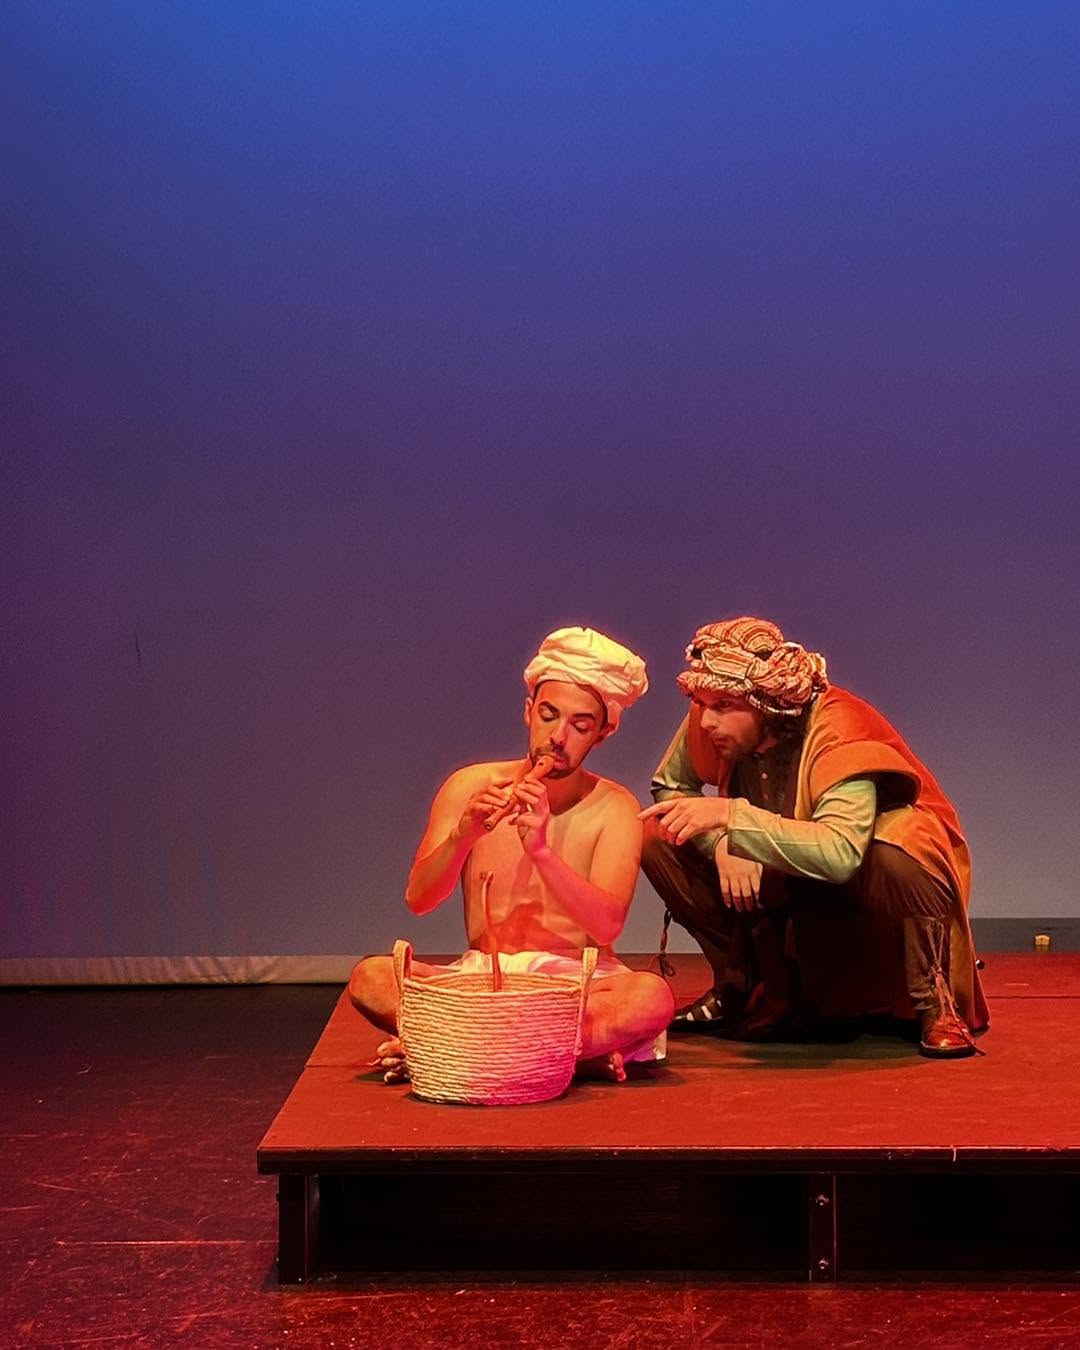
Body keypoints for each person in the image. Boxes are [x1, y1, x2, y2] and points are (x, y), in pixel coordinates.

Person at [640, 617, 988, 1058]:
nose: (706, 719)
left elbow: (840, 852)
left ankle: (932, 1000)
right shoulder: (715, 718)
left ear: (766, 704)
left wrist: (735, 820)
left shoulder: (839, 728)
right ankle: (740, 984)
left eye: (723, 705)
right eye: (700, 702)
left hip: (857, 885)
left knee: (902, 846)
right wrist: (723, 843)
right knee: (659, 835)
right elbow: (671, 786)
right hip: (780, 875)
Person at [349, 626, 673, 1081]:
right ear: (528, 711)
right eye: (548, 715)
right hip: (481, 980)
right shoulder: (468, 785)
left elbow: (606, 926)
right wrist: (462, 837)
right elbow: (419, 899)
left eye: (580, 726)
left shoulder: (615, 806)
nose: (558, 736)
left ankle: (449, 1046)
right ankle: (559, 1054)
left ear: (602, 734)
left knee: (650, 998)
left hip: (574, 986)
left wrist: (541, 852)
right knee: (371, 977)